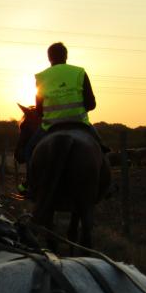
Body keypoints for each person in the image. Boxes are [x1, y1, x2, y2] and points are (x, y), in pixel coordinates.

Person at [18, 41, 106, 194]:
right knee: (102, 149)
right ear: (66, 56)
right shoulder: (79, 72)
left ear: (49, 58)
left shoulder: (42, 77)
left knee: (29, 150)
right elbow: (91, 104)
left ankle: (30, 184)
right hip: (80, 123)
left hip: (51, 126)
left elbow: (39, 110)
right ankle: (106, 185)